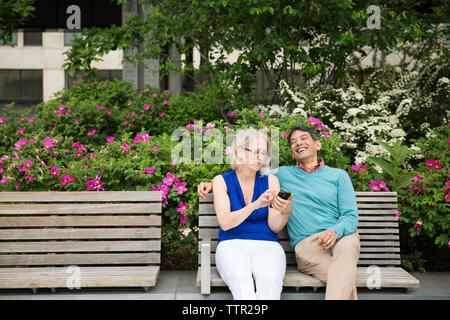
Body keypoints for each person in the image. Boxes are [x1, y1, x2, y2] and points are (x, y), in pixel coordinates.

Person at [198, 125, 360, 300]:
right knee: (343, 277)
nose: (298, 143)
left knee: (346, 252)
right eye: (293, 141)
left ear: (318, 144)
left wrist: (334, 230)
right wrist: (214, 184)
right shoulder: (283, 174)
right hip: (308, 245)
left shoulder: (338, 176)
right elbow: (240, 175)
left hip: (340, 238)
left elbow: (350, 216)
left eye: (304, 138)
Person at [210, 128, 293, 300]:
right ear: (240, 151)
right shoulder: (221, 181)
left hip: (267, 243)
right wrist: (255, 205)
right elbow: (225, 222)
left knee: (270, 279)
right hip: (231, 243)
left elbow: (274, 226)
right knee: (241, 277)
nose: (260, 158)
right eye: (256, 152)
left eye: (264, 153)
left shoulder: (271, 181)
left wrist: (285, 212)